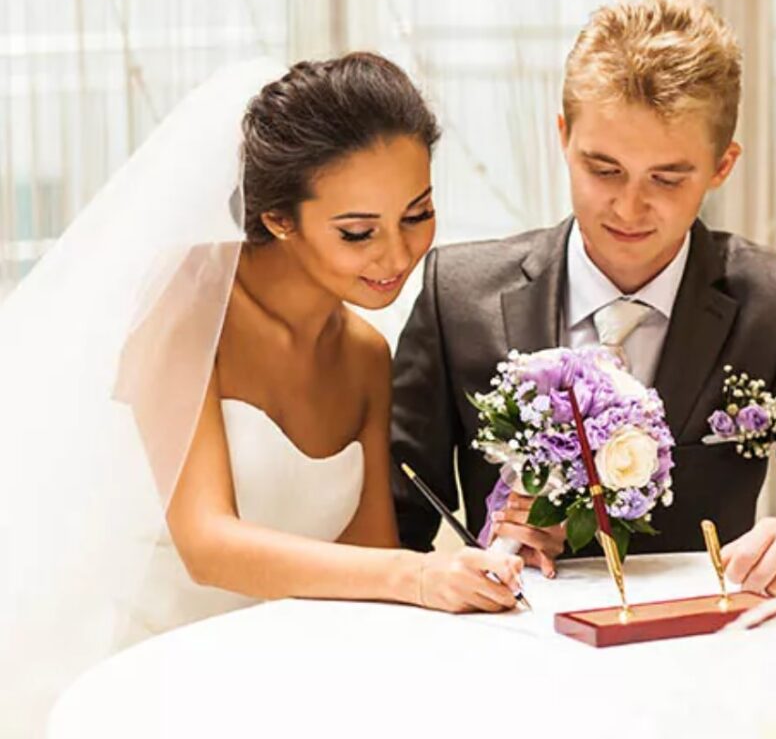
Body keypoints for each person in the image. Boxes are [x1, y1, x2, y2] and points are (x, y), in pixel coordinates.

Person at [0, 54, 521, 739]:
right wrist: (421, 575)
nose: (397, 255)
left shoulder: (367, 355)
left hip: (275, 679)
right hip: (140, 675)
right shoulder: (183, 300)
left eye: (418, 214)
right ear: (278, 218)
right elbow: (207, 544)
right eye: (358, 231)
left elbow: (369, 560)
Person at [391, 0, 776, 591]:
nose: (629, 205)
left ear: (722, 166)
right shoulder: (456, 296)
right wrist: (461, 562)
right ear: (563, 137)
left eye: (667, 178)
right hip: (514, 651)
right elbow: (391, 520)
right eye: (603, 169)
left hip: (707, 653)